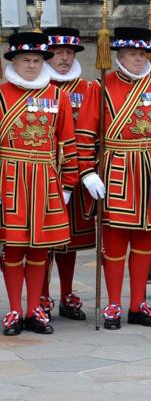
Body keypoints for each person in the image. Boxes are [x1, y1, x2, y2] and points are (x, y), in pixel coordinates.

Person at [78, 27, 151, 330]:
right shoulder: (100, 87)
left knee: (144, 240)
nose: (138, 60)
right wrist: (87, 171)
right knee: (114, 242)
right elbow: (84, 136)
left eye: (142, 54)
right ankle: (113, 304)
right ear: (119, 56)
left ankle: (138, 304)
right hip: (116, 169)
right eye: (131, 54)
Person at [0, 32, 78, 336]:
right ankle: (14, 310)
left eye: (36, 60)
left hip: (45, 179)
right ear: (14, 62)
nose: (31, 65)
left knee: (39, 250)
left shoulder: (58, 96)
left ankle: (34, 309)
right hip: (10, 178)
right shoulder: (2, 94)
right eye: (25, 60)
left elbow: (67, 141)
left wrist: (69, 183)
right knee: (14, 248)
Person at [41, 27, 93, 322]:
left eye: (69, 52)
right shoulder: (38, 86)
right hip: (43, 174)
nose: (63, 57)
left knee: (71, 239)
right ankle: (42, 294)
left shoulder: (87, 89)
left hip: (78, 174)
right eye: (58, 52)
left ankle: (68, 293)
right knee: (43, 238)